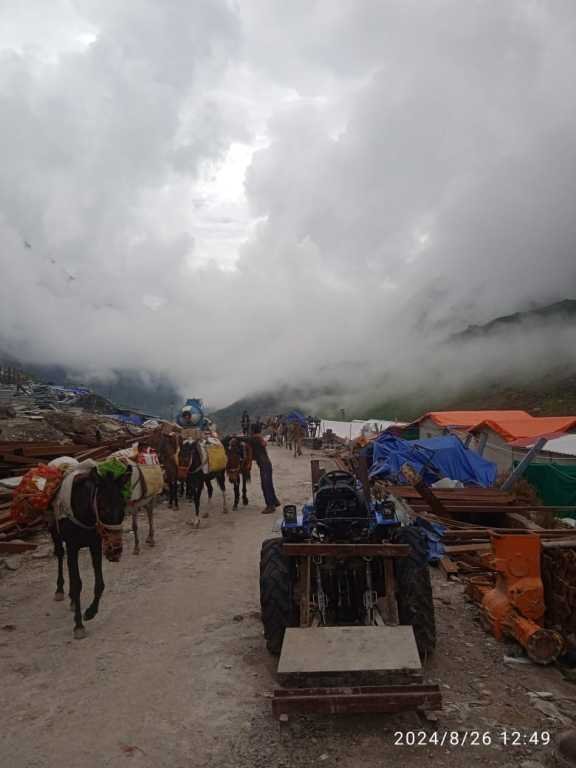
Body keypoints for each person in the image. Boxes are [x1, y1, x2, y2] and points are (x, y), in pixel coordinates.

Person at [249, 431, 280, 514]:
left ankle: (270, 506)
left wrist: (233, 437)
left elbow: (245, 439)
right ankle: (275, 501)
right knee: (269, 484)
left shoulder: (254, 439)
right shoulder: (259, 439)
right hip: (267, 465)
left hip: (264, 466)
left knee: (265, 486)